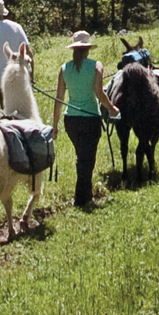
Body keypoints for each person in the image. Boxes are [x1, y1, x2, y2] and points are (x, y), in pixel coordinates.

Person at [50, 31, 118, 209]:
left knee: (82, 157)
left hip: (70, 120)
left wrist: (55, 126)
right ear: (88, 48)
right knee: (87, 159)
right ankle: (82, 199)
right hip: (89, 118)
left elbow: (59, 99)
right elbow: (99, 91)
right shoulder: (96, 66)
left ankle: (83, 196)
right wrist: (111, 108)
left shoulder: (64, 69)